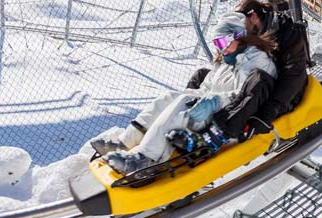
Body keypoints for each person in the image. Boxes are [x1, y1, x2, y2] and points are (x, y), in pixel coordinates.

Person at [93, 11, 277, 174]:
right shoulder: (227, 60)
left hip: (222, 117)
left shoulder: (257, 62)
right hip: (206, 107)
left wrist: (213, 102)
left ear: (240, 36)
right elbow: (205, 88)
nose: (220, 48)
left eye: (223, 41)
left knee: (184, 103)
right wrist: (188, 96)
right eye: (217, 43)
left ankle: (145, 159)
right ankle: (126, 142)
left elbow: (246, 97)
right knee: (170, 97)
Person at [203, 0, 310, 139]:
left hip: (279, 97)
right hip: (251, 93)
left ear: (253, 16)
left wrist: (268, 113)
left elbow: (293, 75)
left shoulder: (287, 32)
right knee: (202, 74)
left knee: (258, 80)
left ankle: (224, 130)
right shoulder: (249, 37)